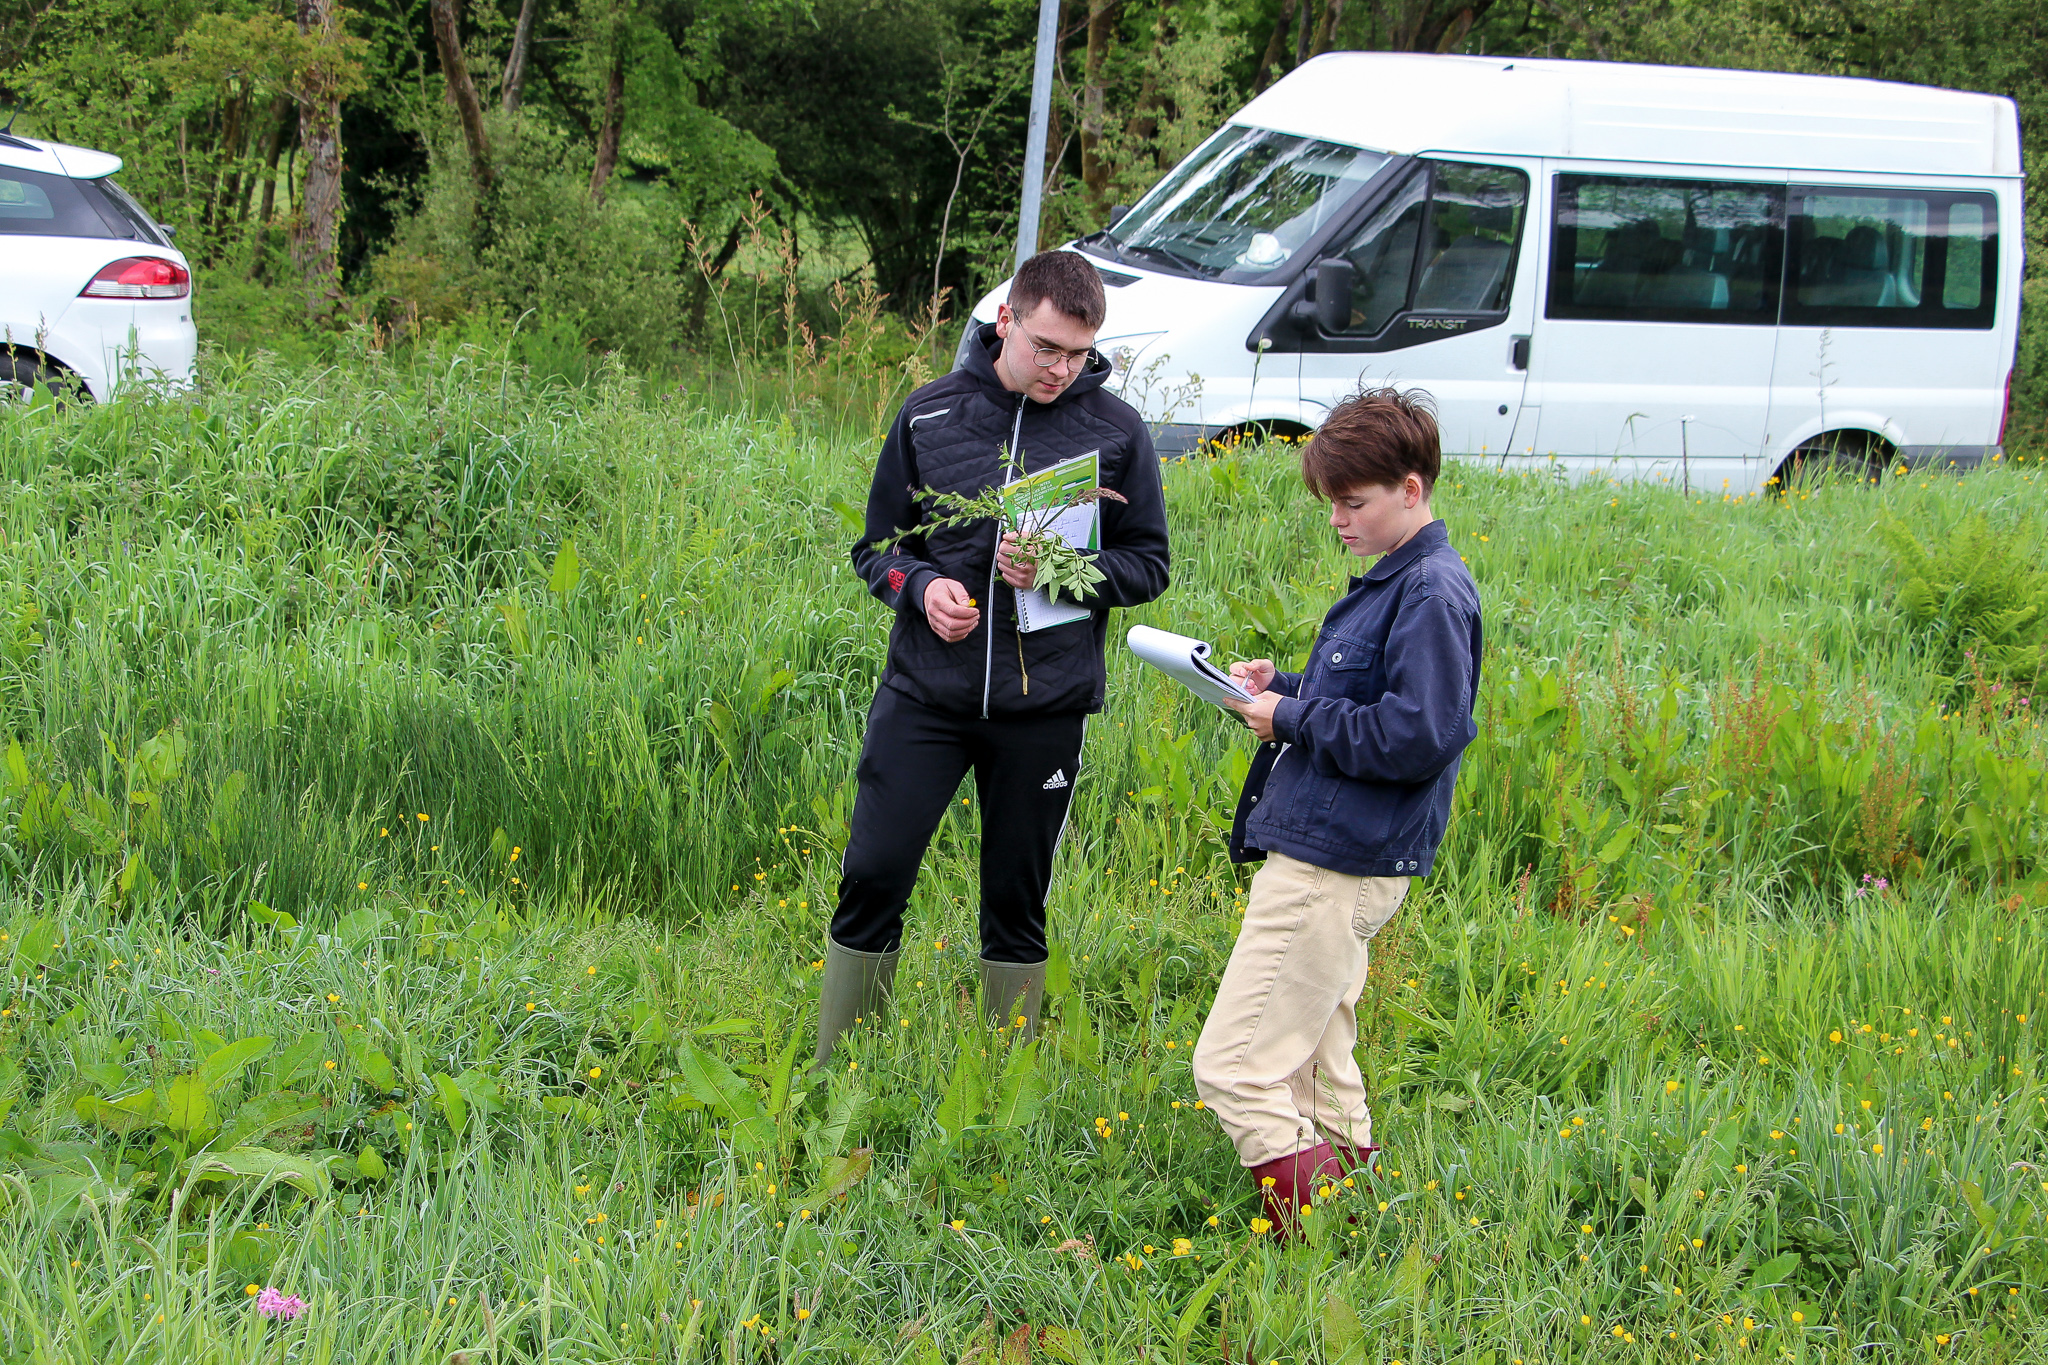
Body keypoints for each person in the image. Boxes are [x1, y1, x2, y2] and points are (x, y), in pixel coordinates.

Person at [815, 251, 1171, 1069]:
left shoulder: (1116, 432)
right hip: (926, 696)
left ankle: (1007, 1085)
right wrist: (922, 585)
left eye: (1078, 354)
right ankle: (844, 1074)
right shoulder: (930, 413)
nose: (1060, 369)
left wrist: (1060, 570)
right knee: (874, 870)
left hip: (1043, 710)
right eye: (1046, 347)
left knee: (1016, 899)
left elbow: (1149, 563)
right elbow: (878, 546)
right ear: (1006, 320)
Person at [1194, 386, 1481, 1232]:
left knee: (1237, 1064)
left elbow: (1418, 733)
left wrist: (1291, 716)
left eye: (1354, 502)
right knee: (1318, 1054)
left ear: (1412, 489)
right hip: (1341, 845)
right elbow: (1372, 698)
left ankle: (1319, 1232)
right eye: (1332, 503)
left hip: (1336, 856)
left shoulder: (1430, 592)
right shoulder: (1403, 584)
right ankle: (1358, 1198)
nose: (1339, 521)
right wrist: (1279, 686)